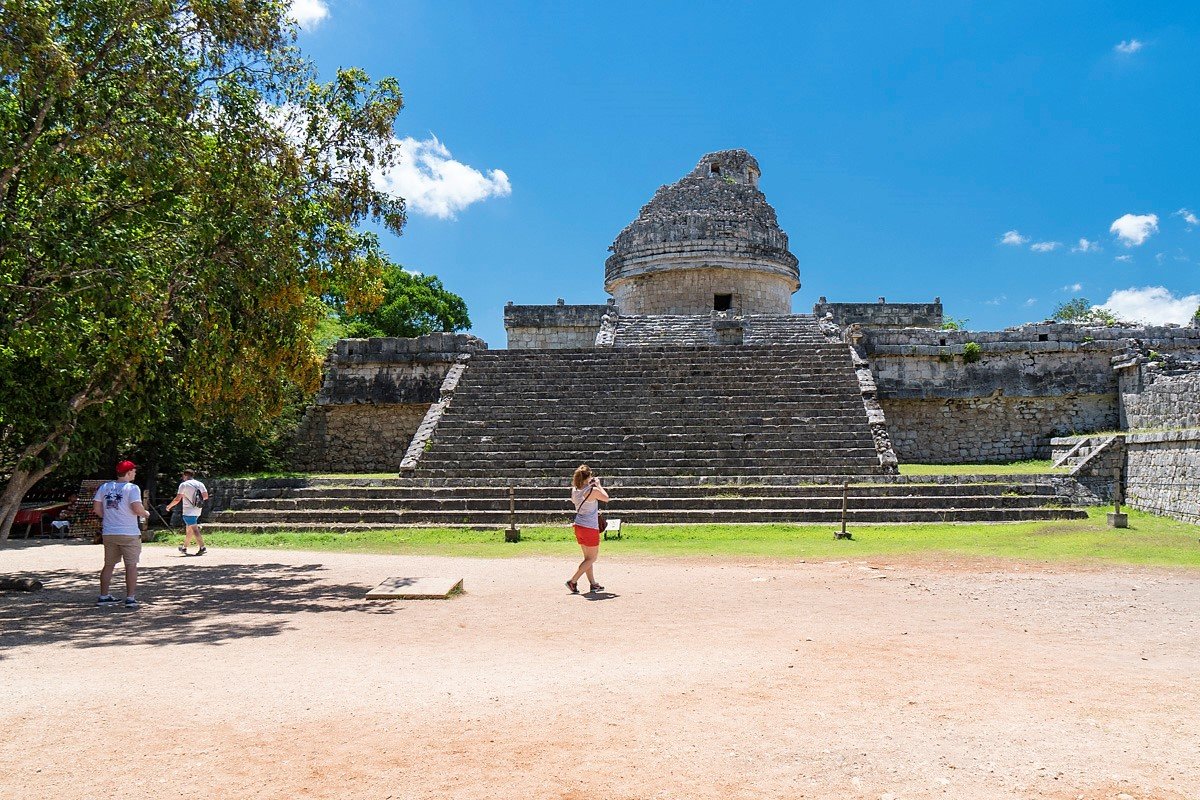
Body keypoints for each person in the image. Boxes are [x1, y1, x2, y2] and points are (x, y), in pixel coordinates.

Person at [93, 460, 149, 608]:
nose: (135, 473)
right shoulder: (132, 488)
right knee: (131, 565)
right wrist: (145, 513)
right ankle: (130, 598)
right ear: (129, 472)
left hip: (109, 531)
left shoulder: (104, 487)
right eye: (134, 471)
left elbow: (97, 510)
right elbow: (136, 508)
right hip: (128, 532)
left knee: (108, 565)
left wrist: (110, 517)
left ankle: (103, 596)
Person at [566, 464, 610, 594]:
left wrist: (589, 484)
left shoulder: (575, 490)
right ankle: (572, 581)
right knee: (592, 558)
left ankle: (593, 584)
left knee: (587, 558)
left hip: (579, 525)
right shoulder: (593, 491)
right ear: (588, 477)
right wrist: (598, 485)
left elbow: (582, 492)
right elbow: (606, 498)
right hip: (589, 527)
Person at [165, 468, 209, 555]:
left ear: (185, 475)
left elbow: (177, 499)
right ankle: (184, 547)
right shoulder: (200, 484)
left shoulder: (184, 485)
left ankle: (202, 547)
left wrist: (169, 506)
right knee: (189, 530)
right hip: (197, 509)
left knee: (194, 529)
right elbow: (206, 496)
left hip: (188, 510)